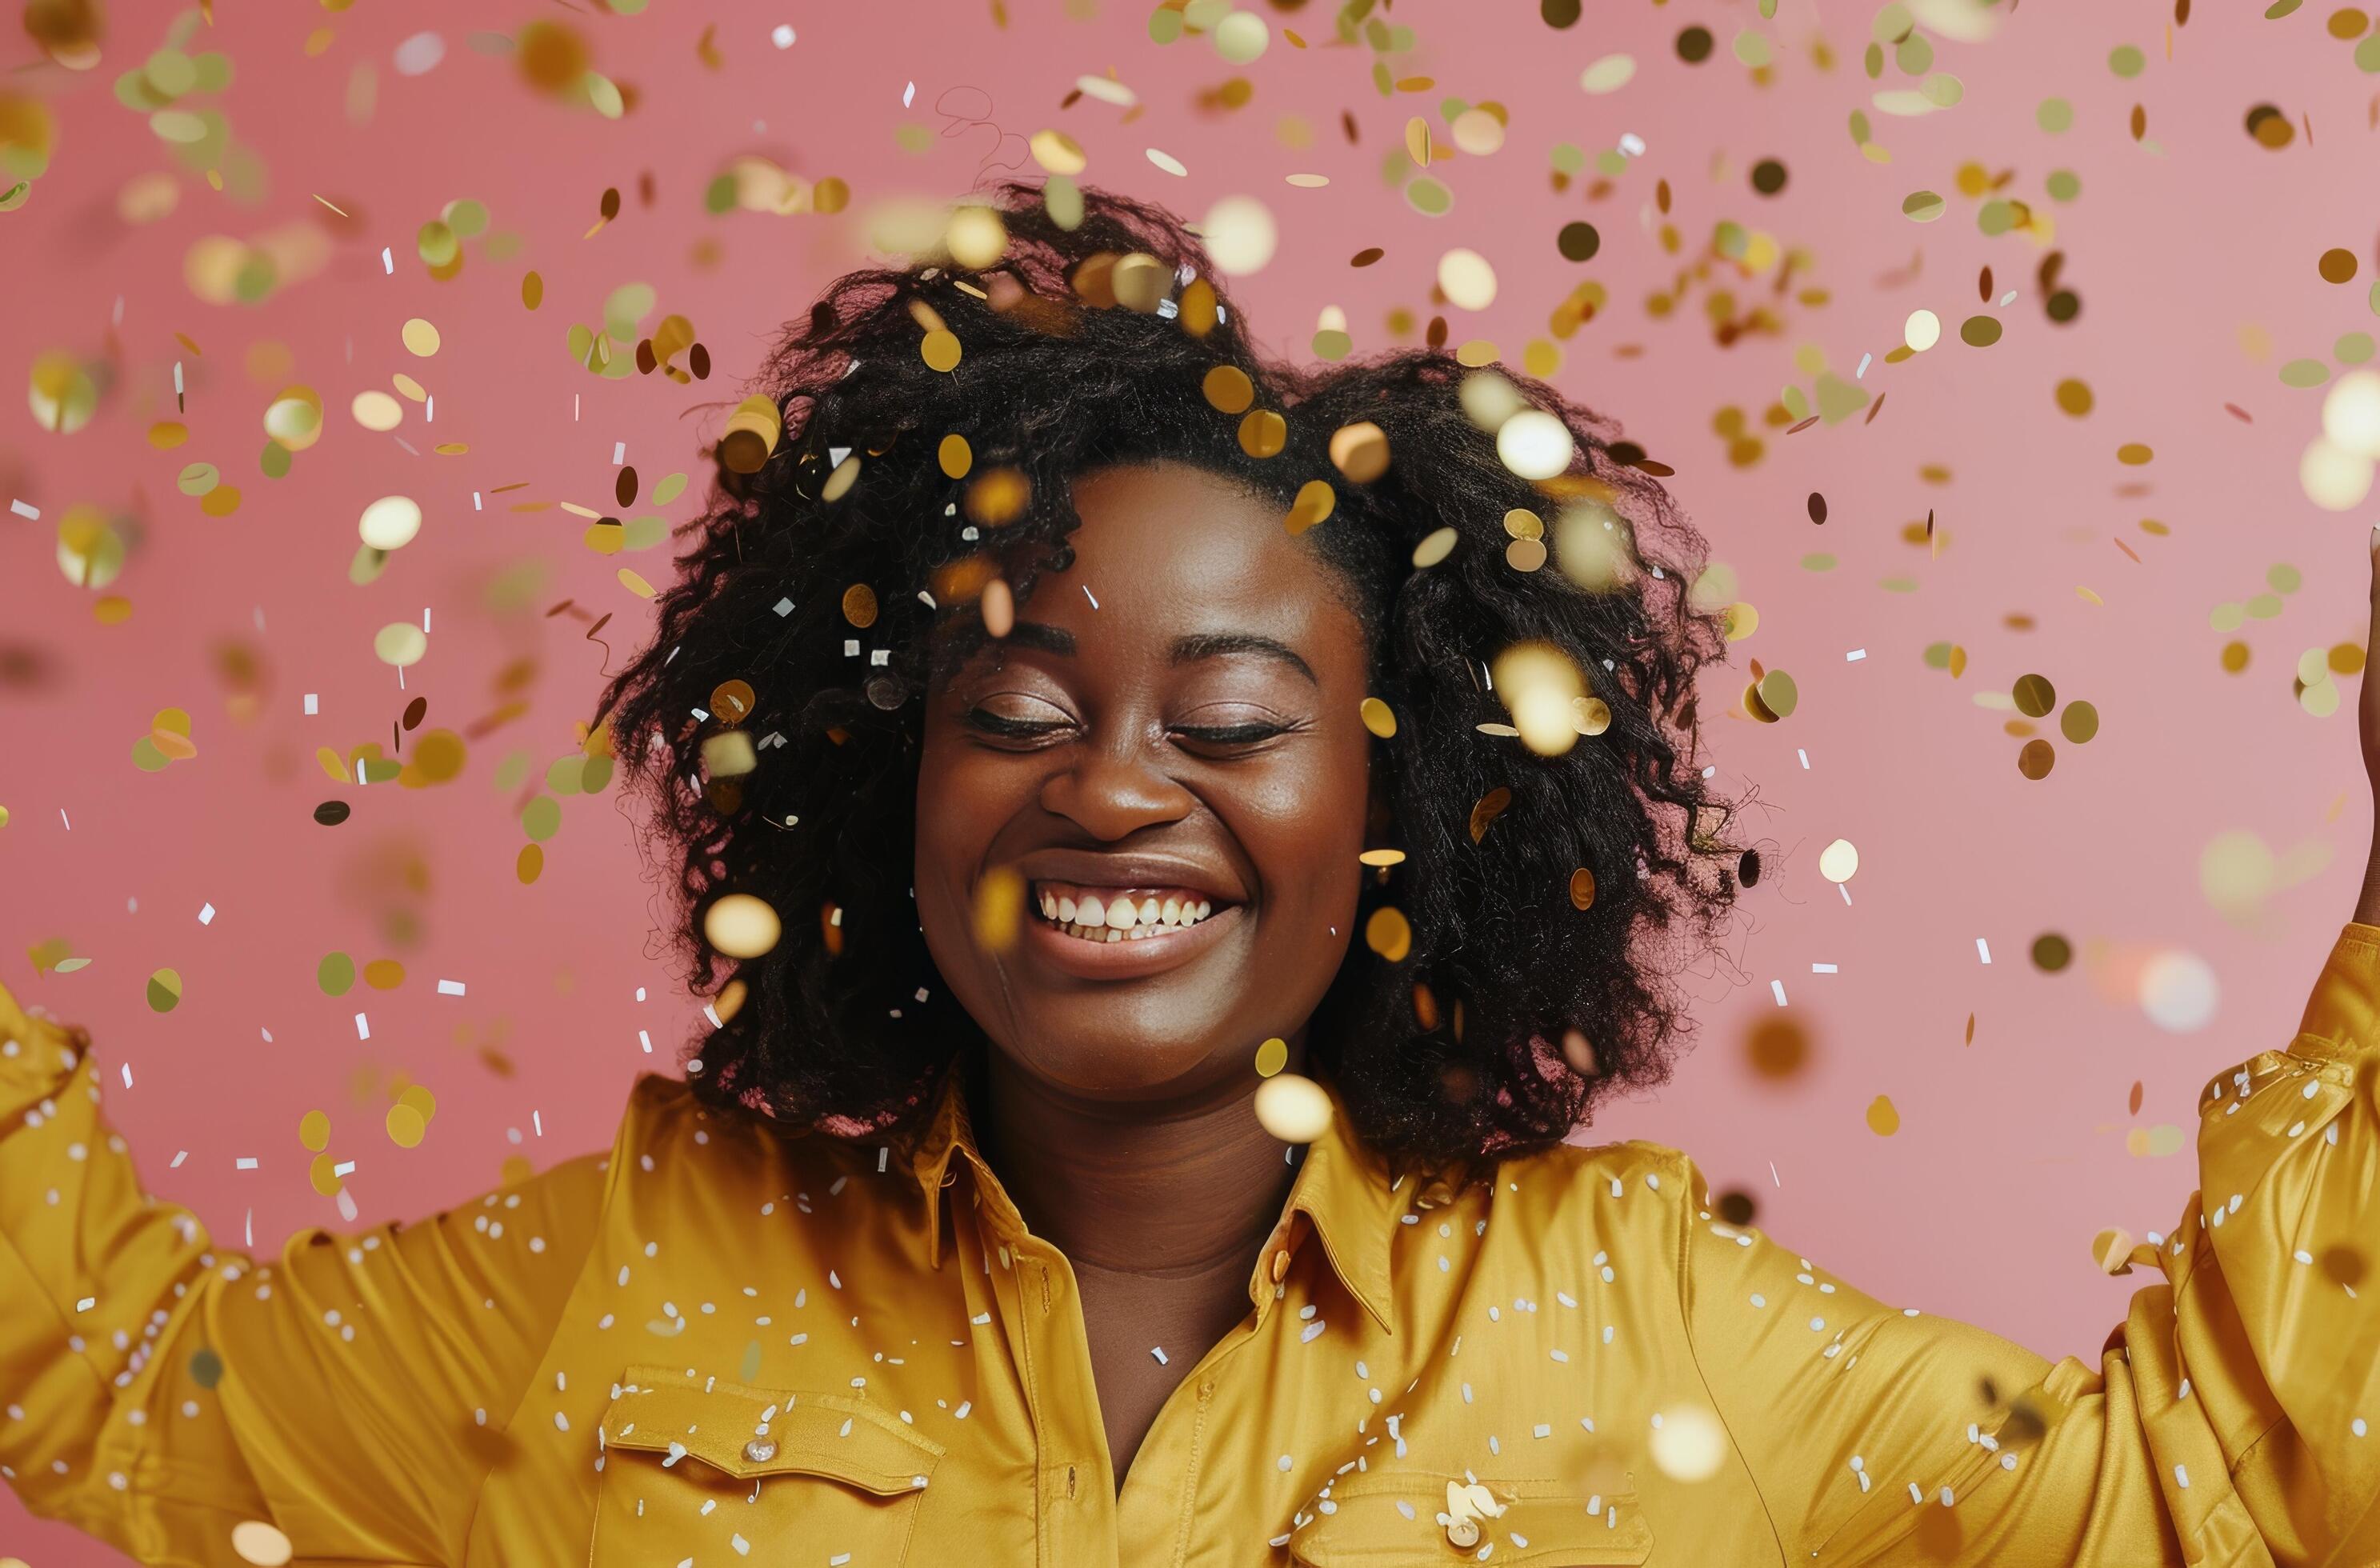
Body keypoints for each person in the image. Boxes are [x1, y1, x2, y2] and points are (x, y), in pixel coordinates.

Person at [2, 185, 2373, 1567]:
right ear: (881, 785)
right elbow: (108, 1362)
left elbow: (2195, 1516)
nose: (1107, 790)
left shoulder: (1644, 1328)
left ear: (1412, 803)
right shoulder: (633, 1280)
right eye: (1013, 708)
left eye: (1231, 723)